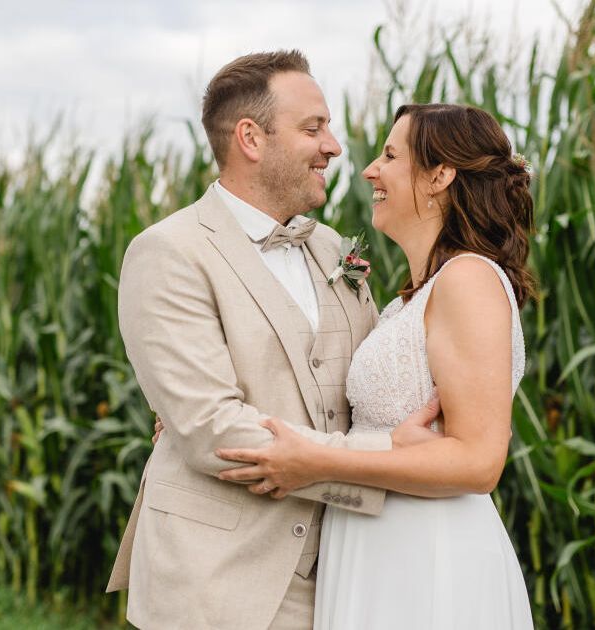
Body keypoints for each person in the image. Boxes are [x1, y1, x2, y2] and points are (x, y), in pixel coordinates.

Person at [106, 50, 435, 629]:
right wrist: (386, 464)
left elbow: (366, 383)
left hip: (344, 574)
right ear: (251, 138)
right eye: (314, 128)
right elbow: (213, 430)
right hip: (216, 580)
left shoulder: (334, 248)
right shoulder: (168, 252)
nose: (334, 146)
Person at [216, 103, 536, 628]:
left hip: (429, 552)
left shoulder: (469, 280)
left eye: (390, 156)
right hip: (374, 541)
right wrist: (214, 414)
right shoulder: (407, 301)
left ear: (439, 176)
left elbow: (480, 463)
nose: (370, 170)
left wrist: (321, 462)